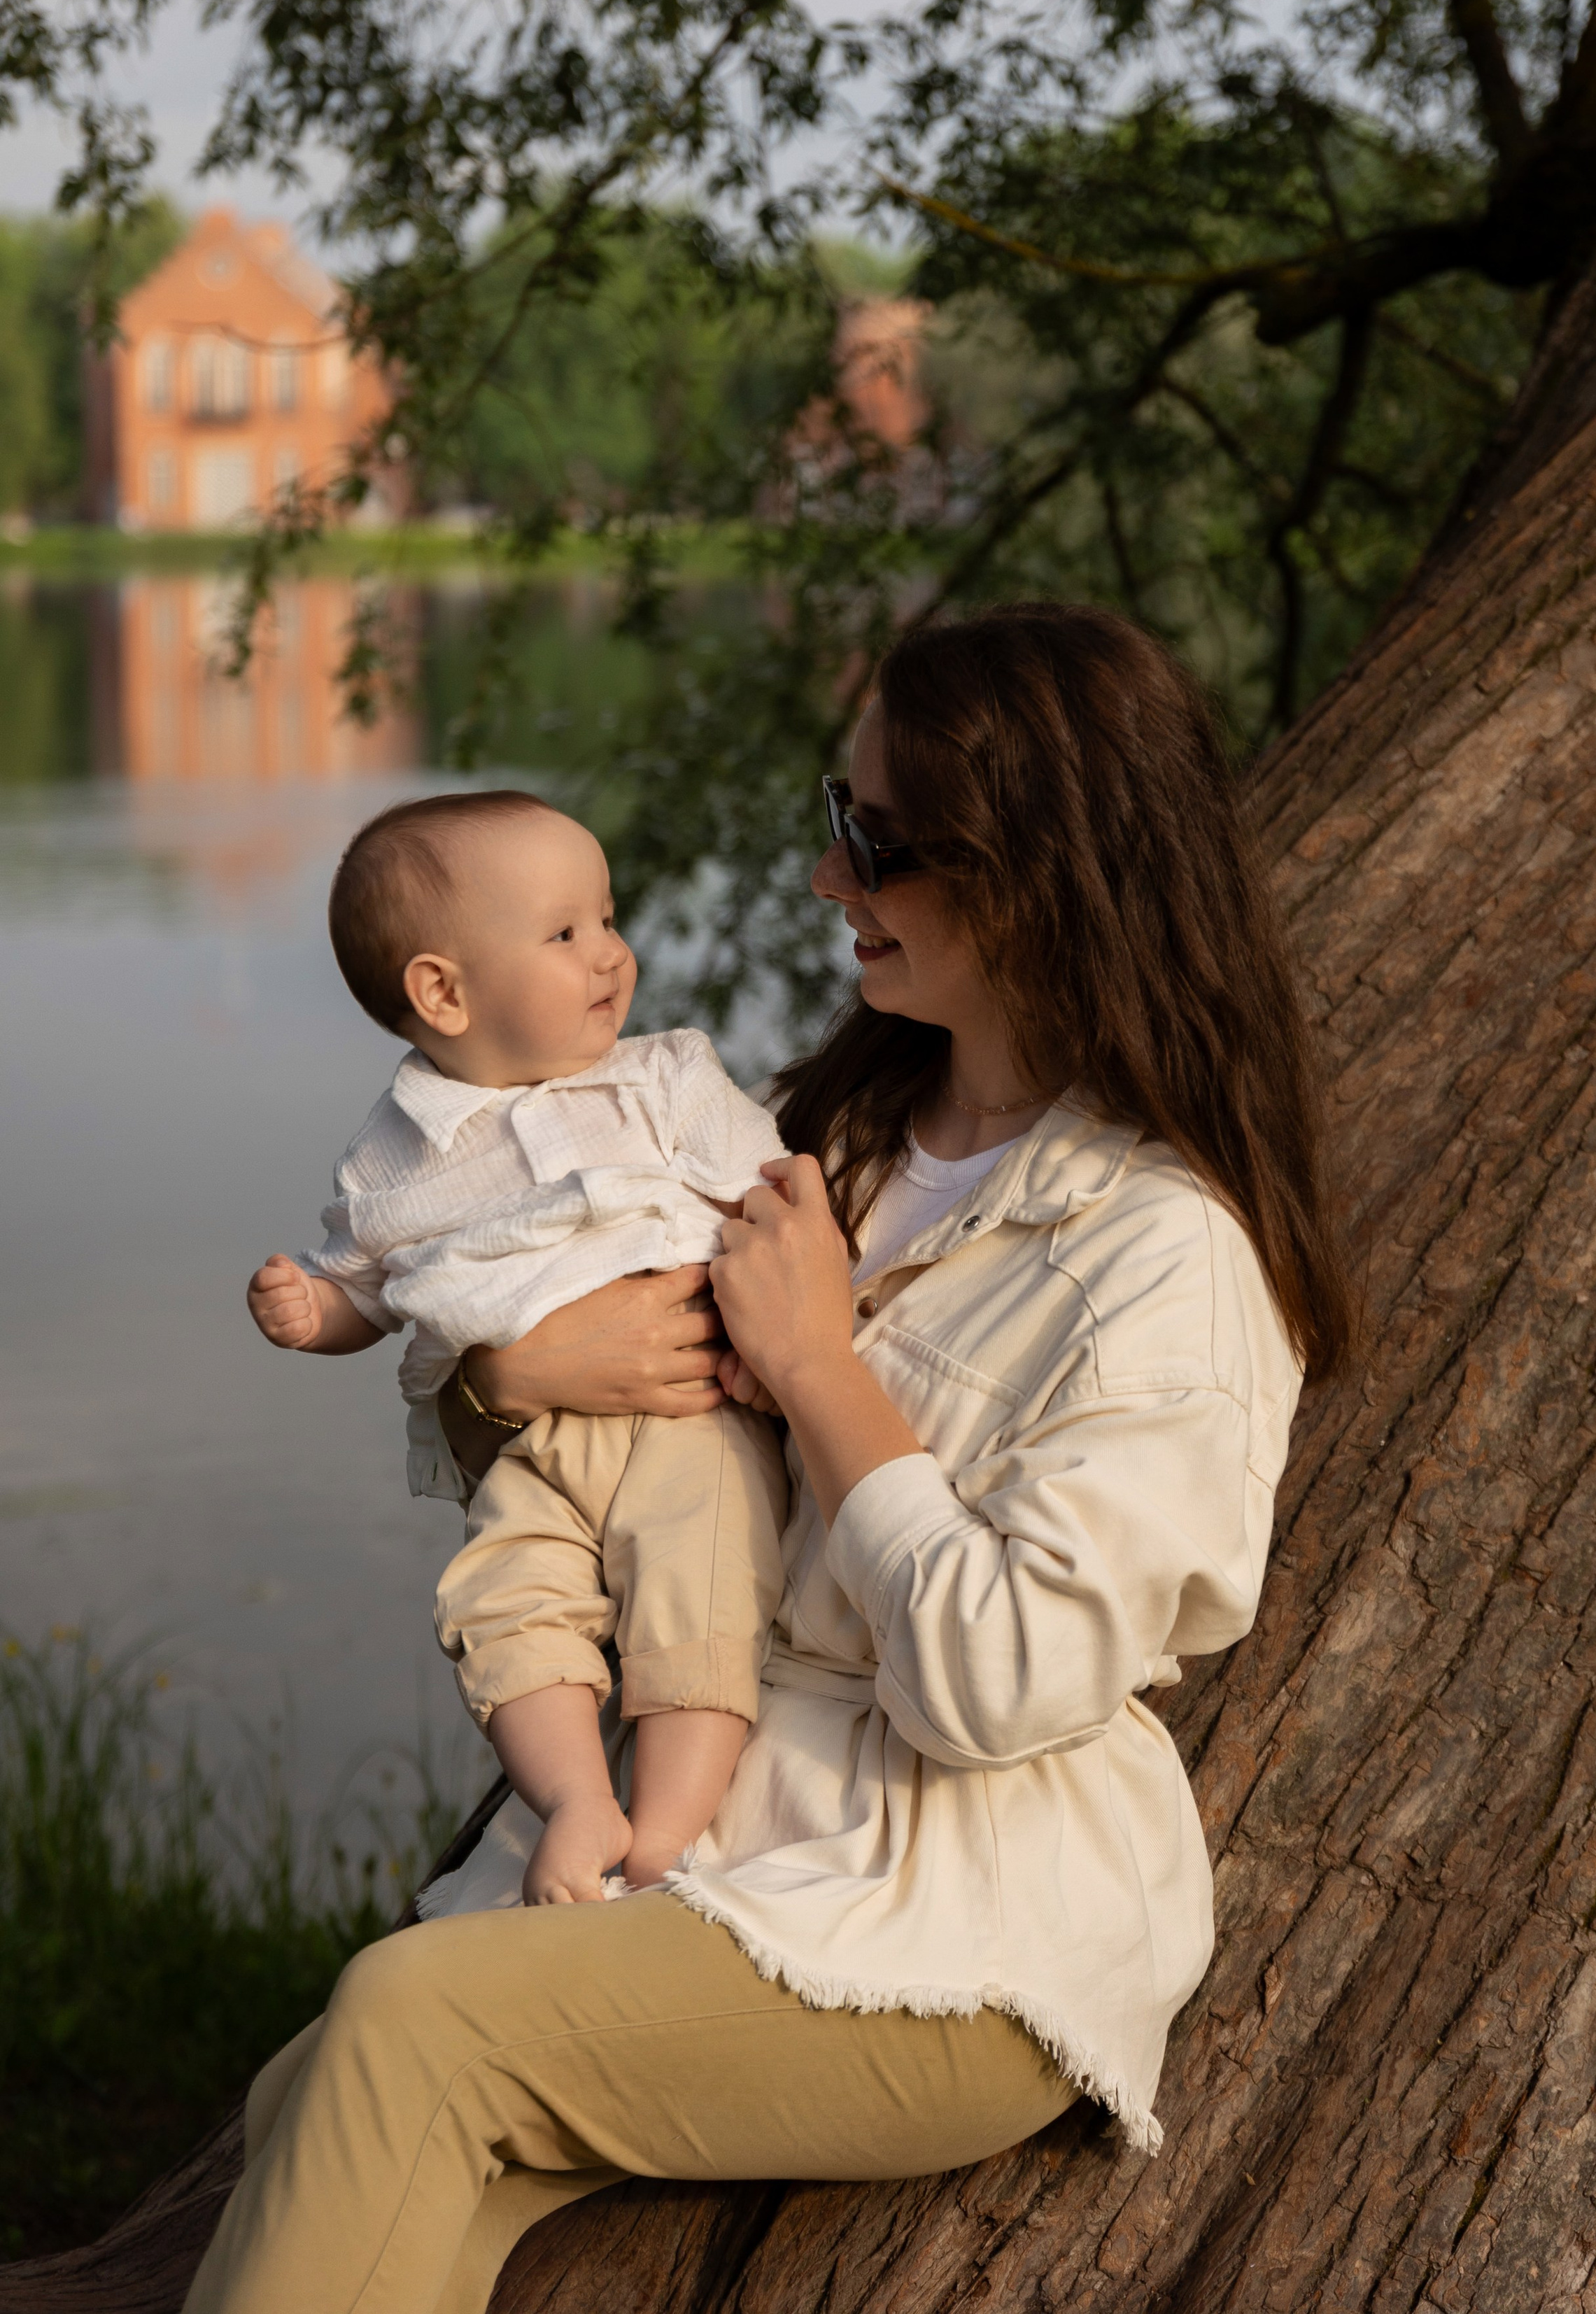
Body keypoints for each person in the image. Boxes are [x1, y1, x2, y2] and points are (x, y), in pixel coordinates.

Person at [187, 600, 1353, 2314]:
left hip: (954, 1906)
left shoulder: (1160, 1254)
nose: (825, 879)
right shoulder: (838, 1131)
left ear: (1030, 871)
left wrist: (817, 1367)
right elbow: (559, 1377)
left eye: (873, 843)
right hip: (733, 1823)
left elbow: (1003, 1680)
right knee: (322, 2099)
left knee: (409, 2033)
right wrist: (505, 1369)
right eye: (838, 814)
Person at [243, 789, 788, 1899]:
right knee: (502, 1601)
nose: (613, 954)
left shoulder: (665, 1077)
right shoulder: (395, 1155)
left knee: (704, 1593)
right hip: (532, 1448)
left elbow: (774, 1197)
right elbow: (371, 1283)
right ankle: (578, 1797)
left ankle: (666, 1834)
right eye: (565, 932)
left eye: (607, 917)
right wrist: (314, 1315)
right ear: (443, 991)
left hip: (689, 1423)